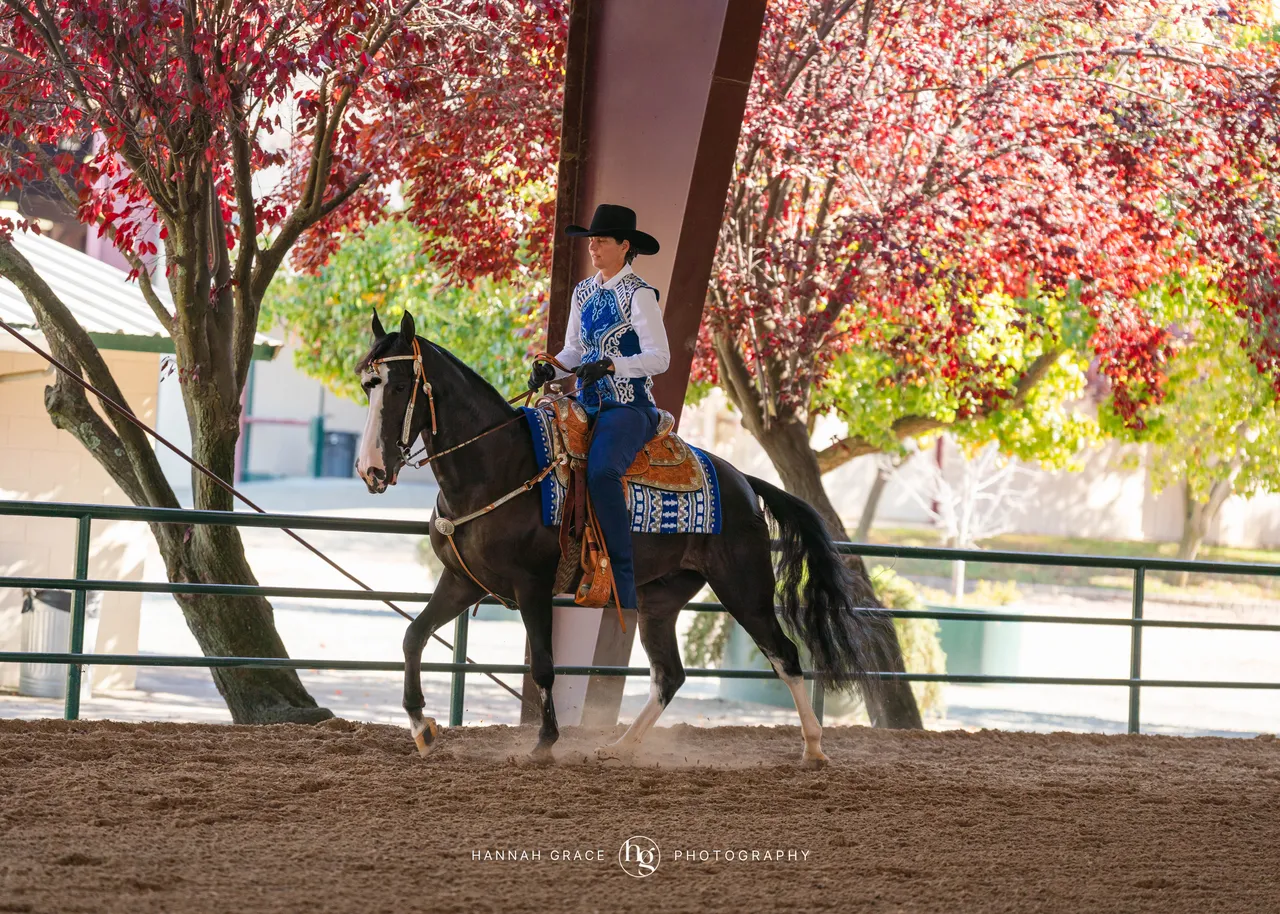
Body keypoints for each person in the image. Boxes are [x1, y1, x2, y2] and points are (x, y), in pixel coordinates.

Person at [527, 203, 669, 611]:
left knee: (604, 472)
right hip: (584, 402)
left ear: (625, 246)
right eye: (591, 240)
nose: (593, 247)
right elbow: (574, 349)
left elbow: (660, 358)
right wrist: (550, 371)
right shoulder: (583, 291)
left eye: (602, 241)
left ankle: (621, 581)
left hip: (627, 406)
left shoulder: (639, 294)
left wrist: (612, 364)